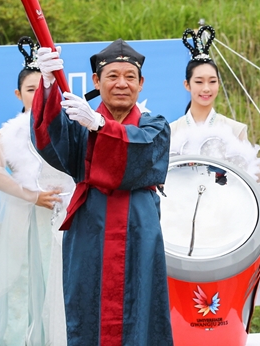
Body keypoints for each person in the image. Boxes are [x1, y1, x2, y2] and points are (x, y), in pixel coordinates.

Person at [31, 38, 173, 346]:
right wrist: (47, 86)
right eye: (112, 76)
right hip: (89, 229)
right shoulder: (78, 122)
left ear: (141, 83)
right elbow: (50, 139)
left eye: (129, 77)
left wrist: (99, 126)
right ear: (97, 80)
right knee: (86, 307)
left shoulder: (155, 126)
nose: (121, 83)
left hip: (139, 230)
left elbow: (141, 156)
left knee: (142, 308)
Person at [0, 37, 74, 345]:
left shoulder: (67, 125)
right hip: (26, 221)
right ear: (19, 94)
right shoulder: (8, 133)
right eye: (30, 90)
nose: (36, 95)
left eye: (41, 89)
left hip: (63, 219)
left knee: (61, 285)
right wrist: (32, 196)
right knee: (25, 288)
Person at [170, 25, 260, 180]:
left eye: (212, 81)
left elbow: (255, 176)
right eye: (199, 82)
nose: (206, 88)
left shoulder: (234, 129)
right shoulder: (171, 130)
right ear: (187, 85)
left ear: (219, 84)